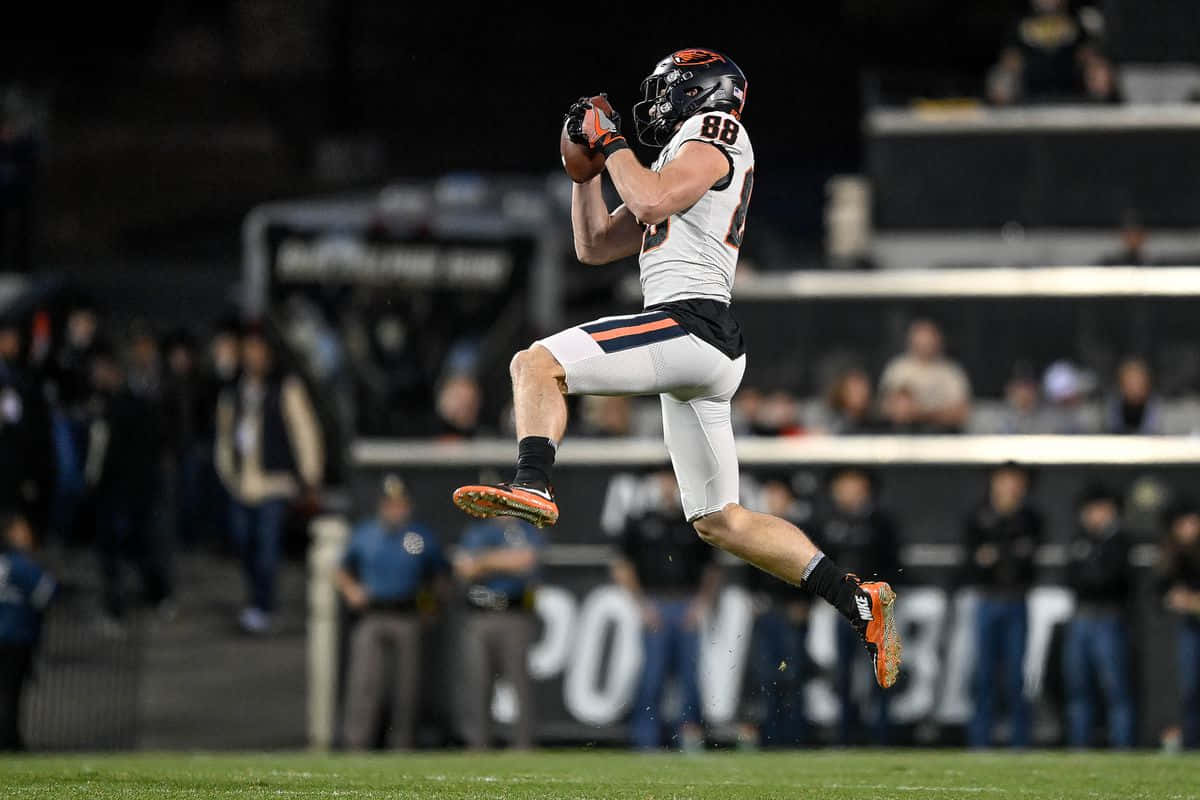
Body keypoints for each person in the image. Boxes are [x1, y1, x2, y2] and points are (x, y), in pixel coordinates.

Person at [450, 48, 900, 691]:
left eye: (664, 89)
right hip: (695, 345)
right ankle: (857, 597)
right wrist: (584, 173)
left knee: (536, 362)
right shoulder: (671, 159)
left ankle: (534, 483)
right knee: (720, 520)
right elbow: (594, 244)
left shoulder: (715, 131)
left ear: (695, 90)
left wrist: (610, 146)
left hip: (691, 322)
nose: (653, 103)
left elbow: (654, 201)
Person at [216, 324, 323, 633]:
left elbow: (305, 431)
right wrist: (228, 472)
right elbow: (224, 436)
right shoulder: (233, 391)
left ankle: (263, 603)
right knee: (243, 541)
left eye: (259, 351)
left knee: (266, 546)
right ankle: (255, 598)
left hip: (274, 482)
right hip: (242, 482)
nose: (253, 357)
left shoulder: (285, 388)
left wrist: (310, 475)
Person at [611, 469, 721, 751]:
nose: (667, 486)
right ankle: (646, 742)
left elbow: (711, 567)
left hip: (686, 603)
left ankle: (689, 740)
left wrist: (700, 605)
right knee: (652, 676)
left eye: (672, 479)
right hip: (655, 603)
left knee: (690, 679)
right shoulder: (640, 521)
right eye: (663, 479)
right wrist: (641, 604)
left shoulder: (694, 521)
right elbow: (621, 564)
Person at [338, 475, 447, 750]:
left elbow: (440, 575)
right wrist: (351, 589)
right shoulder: (365, 534)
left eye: (399, 504)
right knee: (364, 683)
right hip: (371, 614)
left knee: (406, 688)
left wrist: (430, 607)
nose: (394, 510)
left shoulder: (418, 538)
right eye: (389, 504)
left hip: (406, 614)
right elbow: (341, 569)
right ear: (381, 505)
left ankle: (402, 744)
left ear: (407, 506)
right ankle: (356, 743)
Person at [86, 347, 172, 623]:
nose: (96, 376)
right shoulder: (104, 404)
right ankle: (149, 596)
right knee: (130, 548)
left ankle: (139, 599)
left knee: (130, 548)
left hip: (126, 490)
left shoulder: (127, 406)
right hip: (120, 490)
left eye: (102, 370)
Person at [818, 468, 899, 745]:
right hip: (843, 608)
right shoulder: (829, 523)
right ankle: (845, 734)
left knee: (880, 670)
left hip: (875, 607)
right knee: (843, 673)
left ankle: (881, 734)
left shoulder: (881, 522)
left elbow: (894, 564)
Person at [965, 462, 1042, 748]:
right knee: (983, 674)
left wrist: (995, 555)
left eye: (1015, 481)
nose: (1010, 487)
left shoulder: (1031, 518)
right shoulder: (979, 516)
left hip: (1016, 600)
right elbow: (972, 561)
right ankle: (980, 741)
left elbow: (1023, 560)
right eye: (1005, 480)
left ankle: (1019, 742)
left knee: (1015, 676)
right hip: (986, 600)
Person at [454, 514, 544, 749]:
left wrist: (483, 561)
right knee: (477, 682)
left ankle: (523, 745)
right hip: (480, 613)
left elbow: (526, 560)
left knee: (519, 683)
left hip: (514, 612)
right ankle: (478, 744)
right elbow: (464, 568)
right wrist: (503, 561)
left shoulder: (526, 530)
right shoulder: (477, 531)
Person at [740, 474, 810, 749]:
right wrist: (755, 600)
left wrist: (804, 603)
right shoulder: (758, 529)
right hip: (768, 610)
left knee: (792, 677)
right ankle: (769, 736)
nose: (773, 500)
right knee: (766, 676)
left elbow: (814, 569)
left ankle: (792, 737)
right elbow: (749, 569)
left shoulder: (802, 530)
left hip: (792, 611)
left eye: (778, 494)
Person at [1063, 485, 1134, 748]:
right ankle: (1079, 748)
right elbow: (1071, 579)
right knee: (1078, 688)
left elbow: (1112, 580)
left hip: (1109, 618)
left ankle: (1122, 747)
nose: (1095, 515)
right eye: (1090, 509)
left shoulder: (1120, 542)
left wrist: (1092, 578)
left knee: (1116, 689)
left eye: (1101, 508)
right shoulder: (1079, 541)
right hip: (1081, 618)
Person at [987, 0, 1112, 105]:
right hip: (1029, 96)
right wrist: (1003, 81)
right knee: (1001, 78)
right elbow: (1009, 61)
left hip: (1071, 95)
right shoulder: (1019, 23)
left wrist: (1097, 72)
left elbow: (1091, 59)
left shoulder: (1080, 20)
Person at [0, 512, 55, 750]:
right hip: (16, 636)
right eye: (22, 529)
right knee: (11, 692)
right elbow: (47, 593)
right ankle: (10, 739)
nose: (28, 534)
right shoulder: (21, 564)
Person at [879, 319, 971, 432]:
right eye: (920, 338)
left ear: (938, 340)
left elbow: (961, 413)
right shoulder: (898, 368)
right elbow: (885, 408)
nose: (924, 343)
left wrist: (921, 414)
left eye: (928, 338)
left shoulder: (951, 372)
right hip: (902, 436)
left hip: (943, 437)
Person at [1160, 502, 1200, 748]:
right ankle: (1191, 745)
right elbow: (1162, 590)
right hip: (1190, 627)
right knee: (1190, 689)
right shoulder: (1174, 555)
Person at [1105, 357, 1162, 435]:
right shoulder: (1110, 410)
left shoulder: (1159, 410)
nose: (1133, 387)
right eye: (1129, 382)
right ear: (1121, 385)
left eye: (1137, 382)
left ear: (1146, 384)